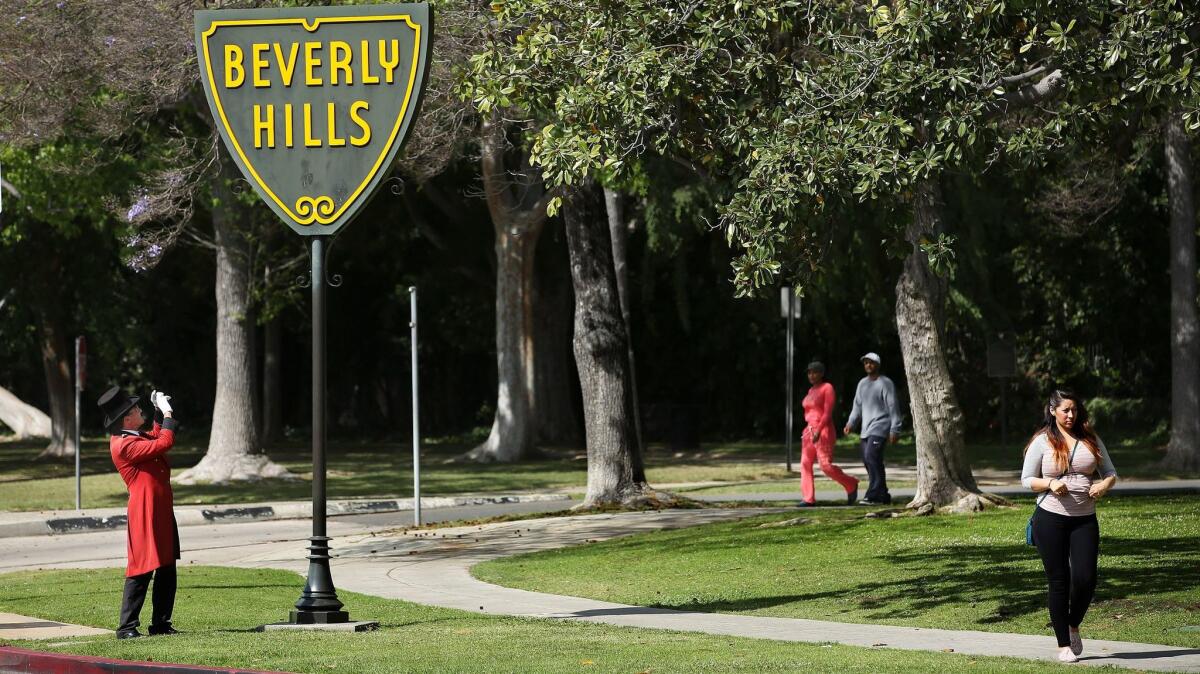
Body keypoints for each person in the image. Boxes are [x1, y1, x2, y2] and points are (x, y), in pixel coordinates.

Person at [1021, 389, 1118, 664]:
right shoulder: (1042, 441)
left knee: (1086, 578)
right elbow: (1026, 479)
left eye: (1074, 410)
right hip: (1050, 518)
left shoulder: (1090, 438)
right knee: (1059, 580)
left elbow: (1110, 472)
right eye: (1065, 410)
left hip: (1084, 518)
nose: (1071, 415)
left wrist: (1103, 484)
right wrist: (1050, 482)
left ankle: (1073, 623)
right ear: (1053, 411)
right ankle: (1063, 643)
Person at [97, 385, 181, 639]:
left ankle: (161, 624)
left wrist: (157, 411)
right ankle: (126, 627)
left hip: (159, 508)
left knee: (166, 566)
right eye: (135, 409)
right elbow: (164, 441)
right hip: (145, 510)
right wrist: (168, 414)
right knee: (142, 567)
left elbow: (155, 437)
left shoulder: (133, 435)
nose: (139, 410)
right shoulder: (123, 444)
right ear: (126, 418)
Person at [842, 352, 902, 505]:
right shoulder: (862, 383)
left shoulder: (885, 383)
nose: (868, 365)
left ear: (878, 365)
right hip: (865, 429)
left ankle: (873, 495)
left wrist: (895, 429)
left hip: (881, 427)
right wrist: (850, 423)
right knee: (869, 461)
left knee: (871, 457)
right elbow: (857, 406)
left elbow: (893, 406)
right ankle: (883, 495)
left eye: (871, 362)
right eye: (866, 363)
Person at [797, 361, 859, 506]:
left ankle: (851, 483)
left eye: (815, 372)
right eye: (809, 372)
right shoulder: (810, 391)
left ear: (822, 374)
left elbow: (827, 413)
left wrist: (818, 430)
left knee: (825, 466)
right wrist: (810, 430)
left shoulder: (827, 388)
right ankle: (808, 498)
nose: (812, 375)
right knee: (805, 464)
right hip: (808, 432)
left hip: (823, 430)